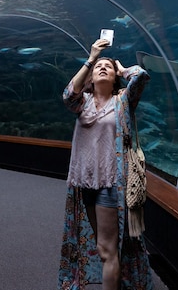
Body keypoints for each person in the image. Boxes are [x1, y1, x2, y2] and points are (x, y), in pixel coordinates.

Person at [58, 39, 153, 290]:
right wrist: (92, 57)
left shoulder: (123, 100)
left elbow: (141, 75)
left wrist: (122, 69)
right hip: (84, 182)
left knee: (108, 249)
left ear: (114, 78)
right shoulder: (82, 103)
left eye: (107, 68)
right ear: (90, 75)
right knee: (103, 248)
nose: (102, 68)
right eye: (98, 67)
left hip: (111, 182)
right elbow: (68, 94)